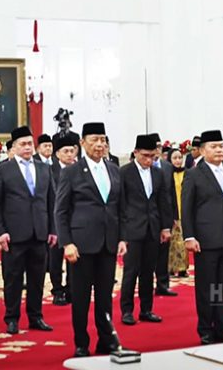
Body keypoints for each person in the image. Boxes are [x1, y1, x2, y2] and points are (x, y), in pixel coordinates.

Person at [55, 122, 128, 357]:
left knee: (105, 296)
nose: (99, 144)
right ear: (82, 143)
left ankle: (106, 340)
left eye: (103, 140)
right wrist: (67, 243)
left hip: (108, 242)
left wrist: (122, 238)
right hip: (81, 244)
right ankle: (81, 343)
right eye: (94, 140)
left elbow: (120, 207)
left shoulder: (114, 169)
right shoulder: (71, 172)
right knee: (81, 297)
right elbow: (61, 210)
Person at [182, 130, 223, 345]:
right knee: (206, 287)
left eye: (221, 146)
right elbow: (187, 208)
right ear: (202, 151)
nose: (219, 150)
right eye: (214, 146)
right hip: (205, 240)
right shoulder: (194, 174)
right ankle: (205, 329)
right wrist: (189, 236)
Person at [0, 126, 56, 335]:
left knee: (37, 278)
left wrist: (53, 229)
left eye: (29, 144)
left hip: (40, 232)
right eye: (23, 144)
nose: (27, 147)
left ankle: (36, 317)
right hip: (14, 234)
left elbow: (51, 200)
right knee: (13, 278)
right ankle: (12, 318)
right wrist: (0, 231)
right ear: (14, 147)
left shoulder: (44, 168)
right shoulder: (3, 170)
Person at [120, 135, 173, 326]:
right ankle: (127, 311)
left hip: (153, 228)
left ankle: (146, 309)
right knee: (131, 271)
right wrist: (122, 233)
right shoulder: (124, 172)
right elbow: (120, 204)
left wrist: (165, 227)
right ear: (135, 153)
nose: (149, 160)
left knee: (148, 271)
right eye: (145, 156)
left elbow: (163, 201)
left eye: (152, 156)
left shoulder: (158, 173)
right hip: (132, 229)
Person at [48, 136, 77, 306]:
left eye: (72, 151)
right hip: (56, 220)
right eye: (65, 151)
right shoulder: (50, 171)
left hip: (75, 221)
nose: (69, 154)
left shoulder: (78, 169)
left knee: (74, 257)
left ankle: (72, 288)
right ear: (57, 154)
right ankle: (57, 290)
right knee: (56, 258)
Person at [149, 133, 178, 297]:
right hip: (148, 215)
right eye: (155, 146)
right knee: (149, 252)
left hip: (165, 214)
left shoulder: (167, 166)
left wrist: (174, 215)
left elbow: (172, 192)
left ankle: (163, 284)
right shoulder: (141, 166)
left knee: (164, 251)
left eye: (159, 146)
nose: (157, 149)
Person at [167, 149, 189, 277]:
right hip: (171, 212)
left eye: (180, 157)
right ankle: (170, 267)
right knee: (172, 242)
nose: (178, 160)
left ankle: (182, 268)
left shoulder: (188, 173)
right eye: (175, 158)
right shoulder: (166, 174)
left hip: (184, 211)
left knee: (183, 241)